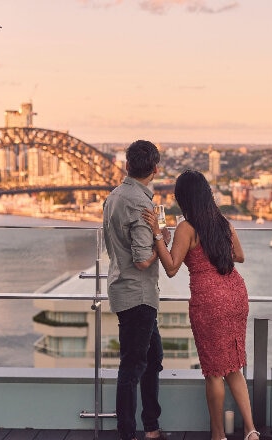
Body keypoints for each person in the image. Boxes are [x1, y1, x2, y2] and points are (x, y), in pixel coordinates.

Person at [142, 169, 260, 440]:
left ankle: (218, 436)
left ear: (183, 198)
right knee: (233, 366)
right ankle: (251, 430)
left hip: (209, 299)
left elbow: (171, 268)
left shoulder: (187, 227)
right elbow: (239, 256)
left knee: (214, 372)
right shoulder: (222, 222)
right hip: (235, 293)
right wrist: (216, 252)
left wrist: (158, 235)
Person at [103, 140, 171, 440]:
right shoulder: (141, 203)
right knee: (132, 368)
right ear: (155, 169)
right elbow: (144, 260)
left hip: (125, 288)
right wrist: (161, 238)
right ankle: (130, 433)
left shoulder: (115, 196)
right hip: (138, 295)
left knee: (152, 358)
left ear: (127, 164)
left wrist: (158, 233)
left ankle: (151, 426)